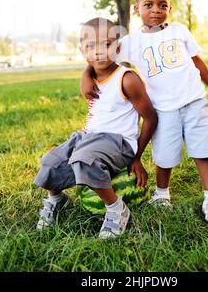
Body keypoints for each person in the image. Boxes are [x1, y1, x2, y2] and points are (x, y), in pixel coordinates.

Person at [82, 0, 208, 223]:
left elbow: (197, 61)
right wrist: (86, 75)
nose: (156, 10)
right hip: (163, 108)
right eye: (149, 4)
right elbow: (102, 55)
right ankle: (162, 194)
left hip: (194, 102)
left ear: (170, 8)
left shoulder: (179, 31)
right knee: (164, 155)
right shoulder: (130, 42)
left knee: (202, 151)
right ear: (137, 8)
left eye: (163, 5)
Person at [34, 17, 158, 238]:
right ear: (82, 50)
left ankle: (116, 209)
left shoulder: (127, 79)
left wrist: (136, 157)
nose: (99, 51)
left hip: (118, 141)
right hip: (88, 137)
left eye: (107, 44)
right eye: (91, 46)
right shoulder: (90, 78)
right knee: (50, 163)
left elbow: (150, 118)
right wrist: (85, 73)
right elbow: (93, 66)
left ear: (117, 48)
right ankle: (57, 200)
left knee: (84, 160)